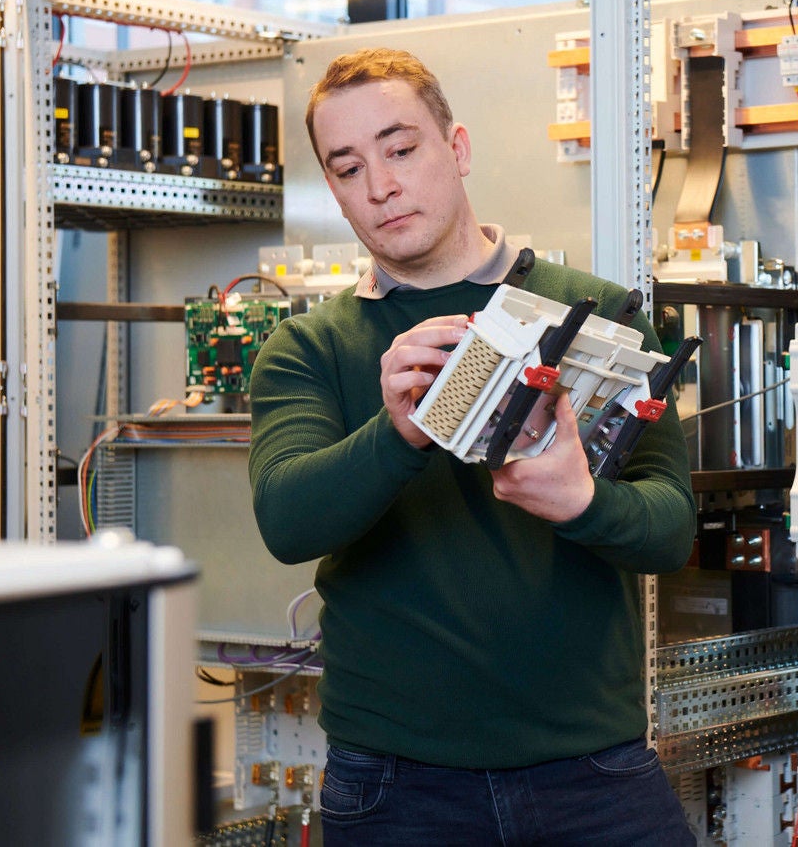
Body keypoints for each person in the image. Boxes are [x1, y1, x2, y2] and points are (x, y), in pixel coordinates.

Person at [248, 47, 697, 846]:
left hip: (593, 773)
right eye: (348, 168)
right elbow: (288, 521)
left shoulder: (592, 312)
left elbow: (670, 529)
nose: (380, 185)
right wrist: (398, 432)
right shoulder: (308, 349)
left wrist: (583, 503)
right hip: (395, 785)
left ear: (455, 149)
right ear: (337, 195)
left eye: (400, 149)